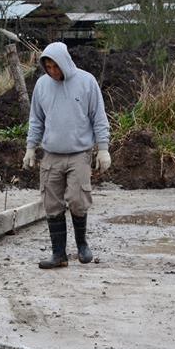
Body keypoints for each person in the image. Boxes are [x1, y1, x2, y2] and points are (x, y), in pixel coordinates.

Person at [22, 41, 110, 269]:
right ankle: (58, 254)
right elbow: (36, 120)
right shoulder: (42, 86)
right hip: (51, 154)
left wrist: (103, 149)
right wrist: (31, 147)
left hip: (79, 153)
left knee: (78, 199)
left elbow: (98, 117)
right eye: (48, 67)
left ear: (65, 62)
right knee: (51, 203)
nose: (53, 71)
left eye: (56, 66)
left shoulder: (86, 82)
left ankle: (82, 245)